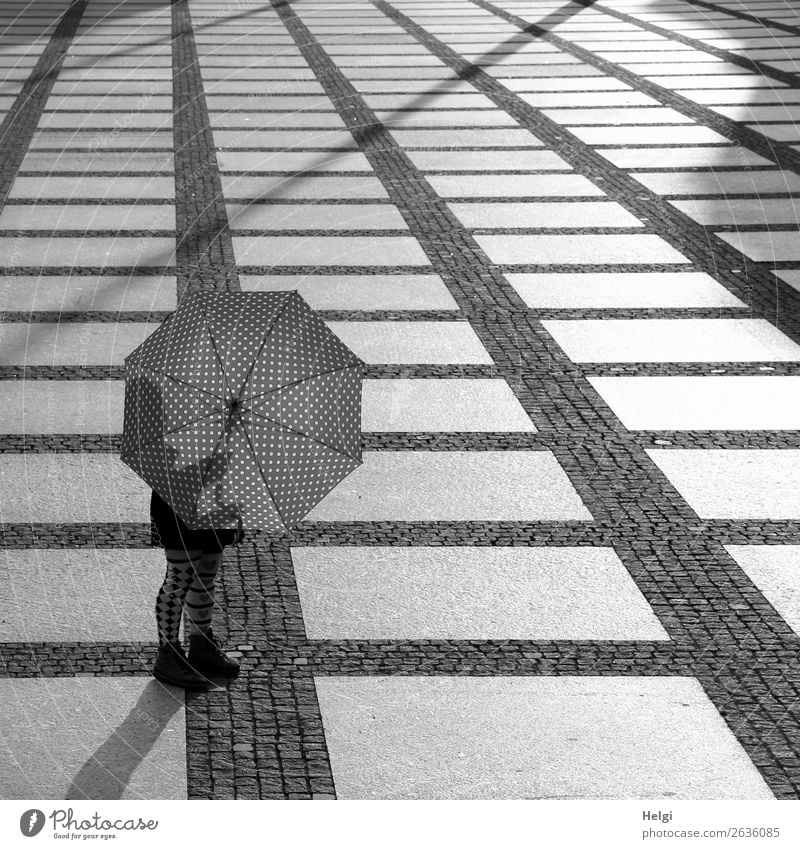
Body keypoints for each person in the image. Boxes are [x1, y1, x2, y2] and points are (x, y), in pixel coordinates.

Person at [150, 488, 243, 689]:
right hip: (180, 499)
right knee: (179, 580)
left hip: (219, 501)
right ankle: (168, 655)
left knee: (206, 576)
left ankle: (201, 645)